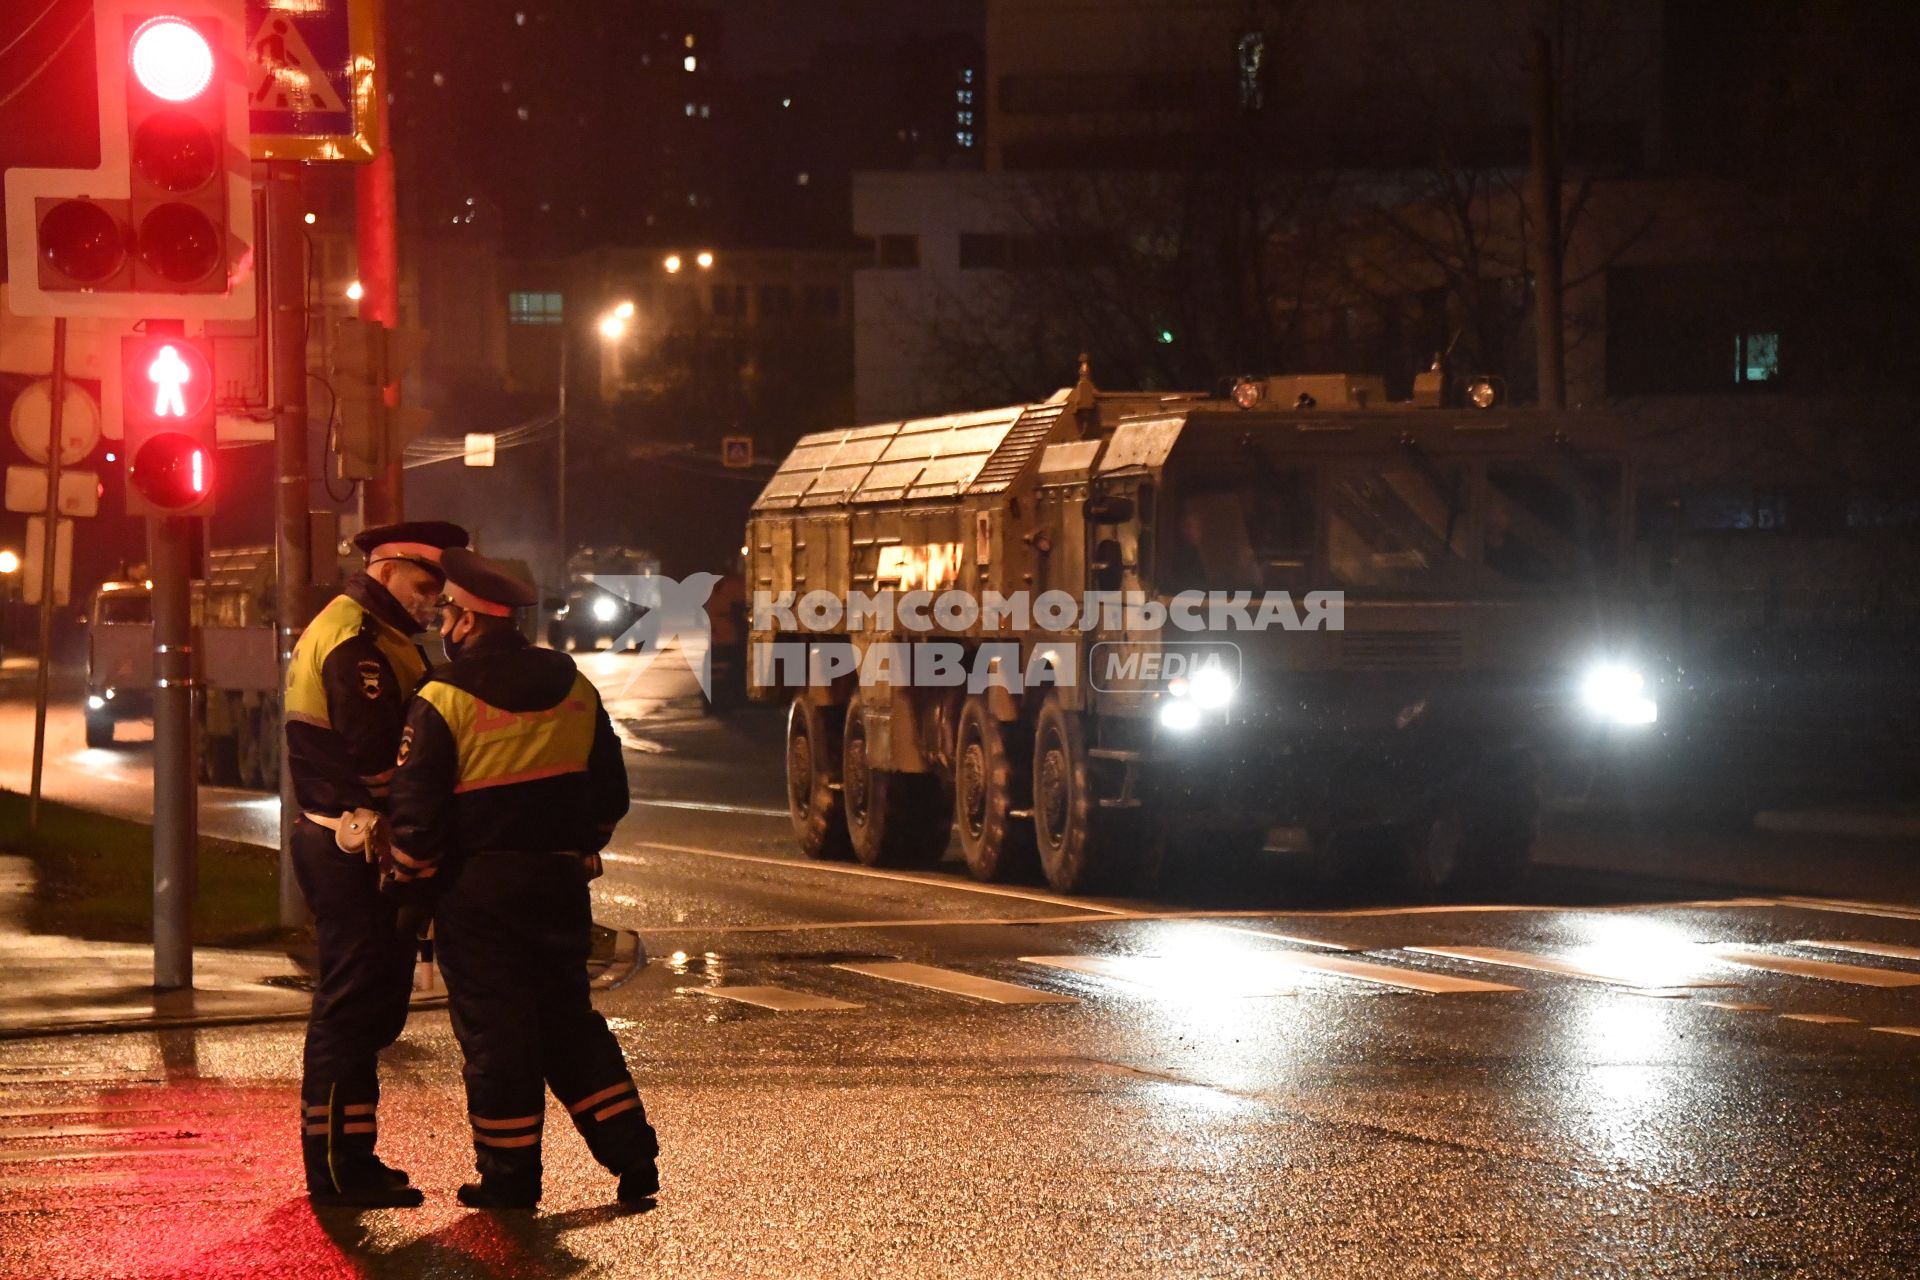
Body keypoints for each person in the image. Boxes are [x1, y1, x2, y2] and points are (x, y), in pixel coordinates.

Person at [385, 547, 658, 1210]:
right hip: (559, 886)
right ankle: (632, 1156)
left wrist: (409, 893)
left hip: (477, 896)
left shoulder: (442, 700)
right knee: (569, 1021)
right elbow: (609, 793)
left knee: (496, 1033)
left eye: (448, 611)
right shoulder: (574, 686)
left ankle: (510, 1177)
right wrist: (577, 850)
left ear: (469, 621)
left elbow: (416, 822)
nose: (443, 622)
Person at [284, 520, 469, 1208]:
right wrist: (431, 808)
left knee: (363, 1013)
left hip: (354, 843)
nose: (432, 601)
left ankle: (353, 1159)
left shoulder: (374, 635)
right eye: (425, 586)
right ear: (386, 568)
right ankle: (334, 1167)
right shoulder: (357, 644)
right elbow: (379, 760)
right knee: (349, 1009)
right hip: (353, 845)